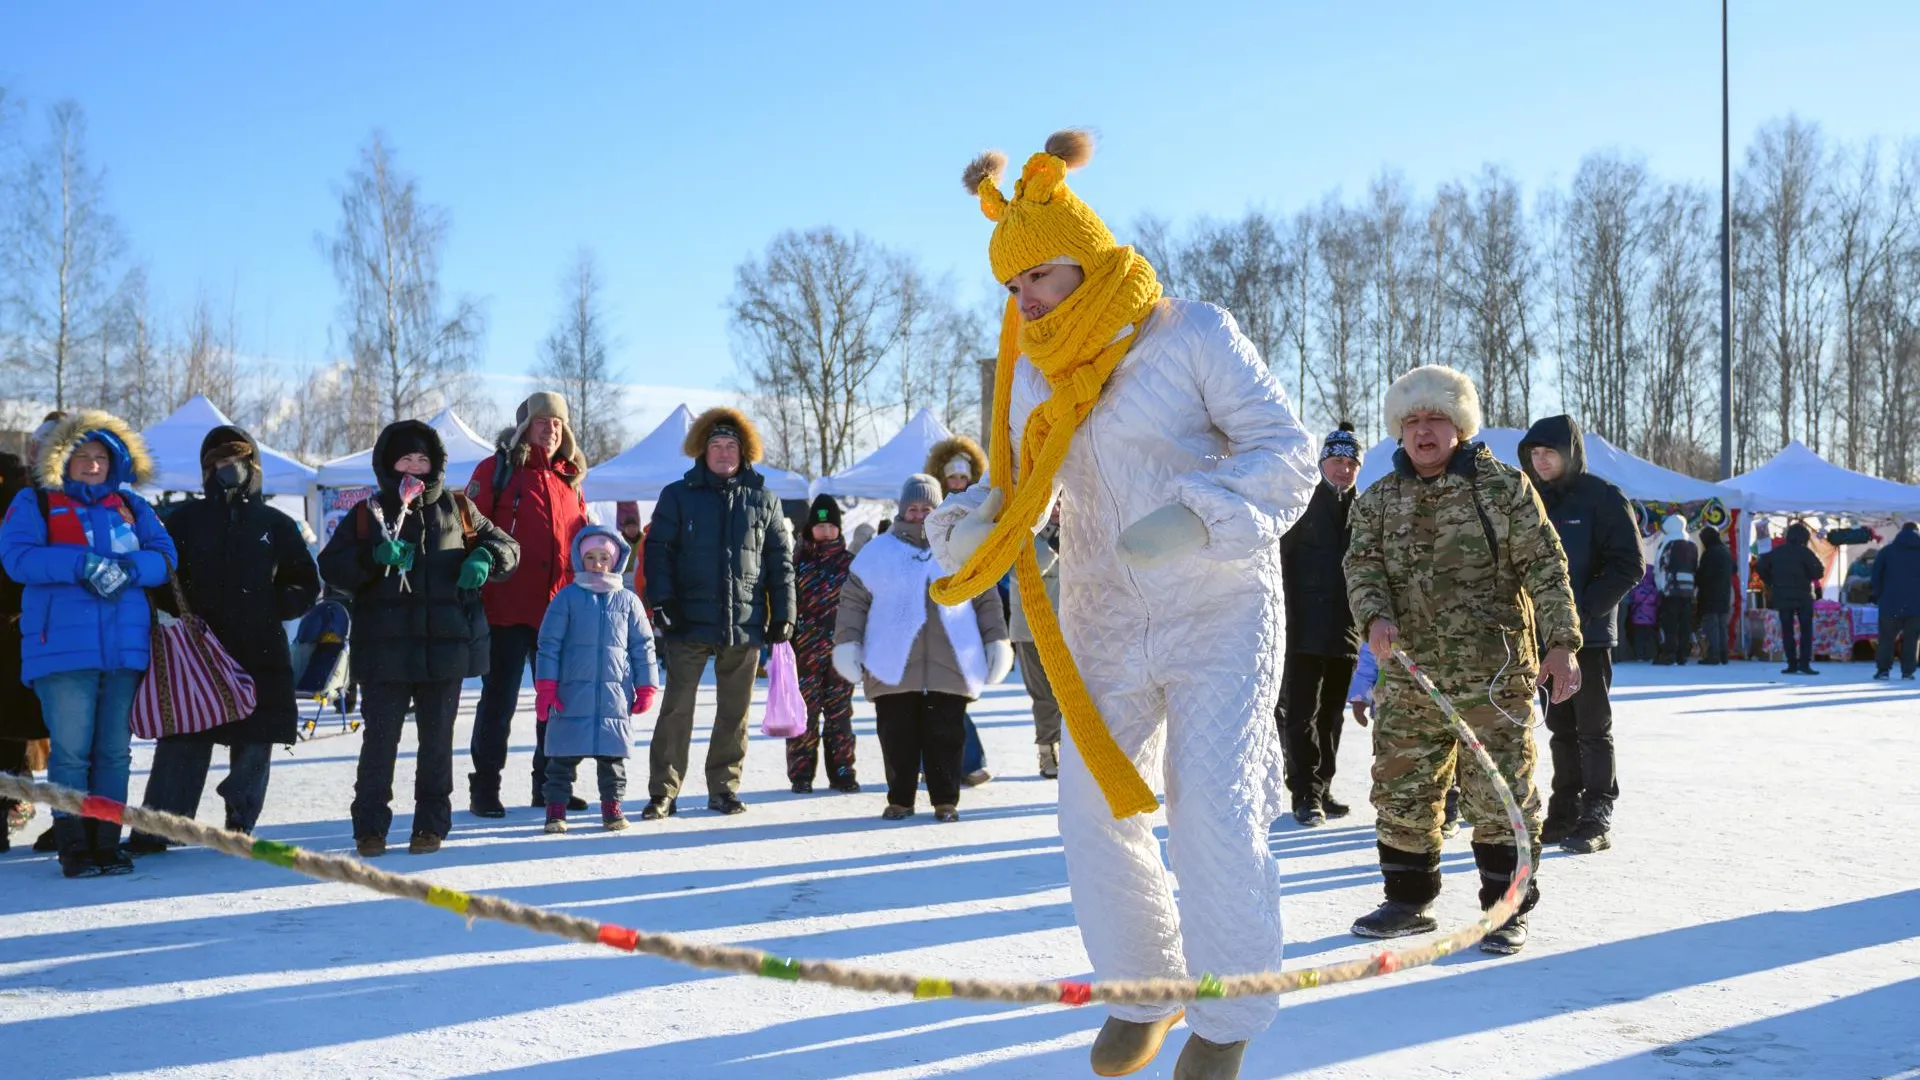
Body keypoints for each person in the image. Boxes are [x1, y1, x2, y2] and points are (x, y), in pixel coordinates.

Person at [928, 131, 1318, 1079]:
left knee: (1213, 809)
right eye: (1012, 286)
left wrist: (1204, 515)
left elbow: (1289, 450)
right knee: (1090, 806)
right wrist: (977, 523)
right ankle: (1142, 989)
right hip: (1102, 610)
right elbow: (1022, 484)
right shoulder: (1029, 367)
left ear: (1087, 259)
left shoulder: (1191, 332)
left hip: (1219, 606)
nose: (1023, 300)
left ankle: (1226, 1019)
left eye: (1039, 279)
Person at [1344, 365, 1582, 956]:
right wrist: (1373, 615)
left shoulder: (1503, 489)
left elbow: (1546, 568)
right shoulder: (1376, 500)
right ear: (1400, 431)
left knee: (1502, 793)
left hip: (1493, 676)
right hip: (1408, 676)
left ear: (1460, 425)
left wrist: (1562, 643)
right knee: (1402, 789)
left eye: (1437, 419)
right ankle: (1407, 900)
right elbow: (1361, 566)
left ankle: (1504, 910)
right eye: (1413, 421)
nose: (1424, 432)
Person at [319, 420, 518, 857]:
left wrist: (485, 555)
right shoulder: (368, 511)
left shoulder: (459, 507)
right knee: (380, 743)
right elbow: (332, 566)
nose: (415, 465)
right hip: (384, 649)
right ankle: (369, 827)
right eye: (406, 458)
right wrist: (373, 558)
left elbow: (508, 546)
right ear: (389, 463)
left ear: (436, 464)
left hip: (443, 648)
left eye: (423, 458)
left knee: (436, 744)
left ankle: (431, 825)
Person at [126, 427, 320, 854]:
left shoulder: (276, 523)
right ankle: (161, 828)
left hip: (260, 649)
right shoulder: (182, 519)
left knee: (256, 740)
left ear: (254, 467)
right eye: (216, 462)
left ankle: (239, 826)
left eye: (236, 461)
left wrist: (275, 605)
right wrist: (172, 616)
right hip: (195, 652)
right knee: (184, 736)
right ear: (205, 470)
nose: (226, 470)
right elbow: (161, 574)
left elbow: (306, 582)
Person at [0, 410, 179, 877]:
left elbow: (165, 556)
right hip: (61, 649)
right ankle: (74, 844)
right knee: (72, 750)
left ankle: (107, 841)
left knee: (114, 752)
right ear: (63, 458)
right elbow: (19, 560)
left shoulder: (131, 506)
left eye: (101, 456)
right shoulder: (34, 502)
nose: (93, 464)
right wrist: (83, 565)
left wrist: (132, 569)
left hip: (124, 649)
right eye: (82, 456)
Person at [643, 407, 795, 819]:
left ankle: (723, 788)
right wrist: (662, 601)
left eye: (732, 446)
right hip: (688, 622)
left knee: (734, 712)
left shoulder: (765, 499)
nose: (724, 453)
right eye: (716, 445)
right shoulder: (677, 495)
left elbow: (780, 562)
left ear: (744, 452)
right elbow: (656, 551)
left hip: (744, 624)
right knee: (677, 709)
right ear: (702, 452)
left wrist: (784, 614)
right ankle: (664, 792)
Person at [835, 475, 1010, 823]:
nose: (918, 515)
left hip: (953, 661)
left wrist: (996, 640)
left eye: (926, 508)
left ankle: (945, 801)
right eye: (912, 508)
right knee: (897, 736)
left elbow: (987, 599)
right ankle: (900, 799)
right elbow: (853, 602)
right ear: (902, 510)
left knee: (946, 735)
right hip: (891, 664)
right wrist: (847, 642)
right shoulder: (878, 552)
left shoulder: (960, 549)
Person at [1518, 415, 1643, 856]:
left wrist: (1580, 611)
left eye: (1548, 452)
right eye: (1534, 453)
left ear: (1568, 453)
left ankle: (1597, 810)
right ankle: (1565, 806)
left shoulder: (1603, 498)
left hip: (1587, 635)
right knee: (1558, 727)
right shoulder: (1530, 500)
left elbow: (1629, 564)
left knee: (1592, 726)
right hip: (1539, 636)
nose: (1540, 460)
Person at [466, 391, 591, 818]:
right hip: (503, 611)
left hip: (558, 614)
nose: (551, 430)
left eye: (557, 424)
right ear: (524, 427)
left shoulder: (569, 481)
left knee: (554, 705)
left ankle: (550, 786)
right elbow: (469, 530)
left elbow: (581, 545)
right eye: (542, 422)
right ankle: (485, 788)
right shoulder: (497, 471)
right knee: (497, 704)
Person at [532, 526, 659, 833]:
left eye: (604, 557)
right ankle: (556, 810)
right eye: (591, 557)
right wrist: (546, 685)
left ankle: (612, 808)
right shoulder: (567, 597)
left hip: (613, 697)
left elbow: (643, 646)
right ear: (580, 559)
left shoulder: (628, 601)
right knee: (561, 759)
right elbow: (549, 644)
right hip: (571, 693)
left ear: (615, 561)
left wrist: (646, 685)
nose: (598, 563)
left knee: (612, 760)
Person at [1277, 422, 1365, 828]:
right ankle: (1304, 793)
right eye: (1337, 461)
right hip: (1303, 628)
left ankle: (1324, 787)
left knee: (1332, 714)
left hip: (1344, 629)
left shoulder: (1363, 510)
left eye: (1351, 463)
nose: (1343, 470)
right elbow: (1279, 563)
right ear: (1322, 462)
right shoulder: (1302, 505)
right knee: (1301, 714)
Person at [926, 435, 995, 787]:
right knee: (932, 699)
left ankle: (967, 761)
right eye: (951, 477)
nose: (957, 483)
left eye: (962, 476)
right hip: (930, 611)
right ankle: (943, 763)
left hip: (965, 610)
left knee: (955, 696)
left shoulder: (977, 506)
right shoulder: (932, 513)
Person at [787, 495, 859, 794]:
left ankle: (842, 771)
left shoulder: (851, 563)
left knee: (840, 714)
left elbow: (862, 605)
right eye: (821, 526)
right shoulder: (798, 562)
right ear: (810, 529)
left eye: (831, 525)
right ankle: (802, 773)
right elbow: (787, 602)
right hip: (804, 652)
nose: (826, 531)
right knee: (804, 713)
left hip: (841, 651)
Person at [0, 450, 49, 856]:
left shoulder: (20, 500)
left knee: (10, 733)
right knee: (11, 735)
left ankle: (10, 810)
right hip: (17, 631)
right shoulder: (26, 498)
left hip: (14, 631)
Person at [1009, 508, 1063, 779]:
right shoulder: (1025, 530)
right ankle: (1047, 751)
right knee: (1044, 696)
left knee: (1075, 694)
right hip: (1032, 630)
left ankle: (1072, 751)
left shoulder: (1081, 527)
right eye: (1054, 503)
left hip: (1073, 630)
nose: (1058, 510)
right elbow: (1022, 569)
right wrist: (1052, 543)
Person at [1757, 522, 1826, 675]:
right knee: (1806, 630)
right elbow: (1819, 572)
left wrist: (1771, 580)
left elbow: (1760, 565)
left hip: (1782, 595)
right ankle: (1804, 664)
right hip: (1803, 595)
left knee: (1787, 630)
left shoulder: (1777, 552)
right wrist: (1806, 575)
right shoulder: (1805, 553)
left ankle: (1791, 664)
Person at [1871, 522, 1920, 680]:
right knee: (1911, 639)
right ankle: (1908, 671)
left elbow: (1876, 576)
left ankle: (1883, 670)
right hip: (1916, 604)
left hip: (1890, 602)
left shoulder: (1887, 551)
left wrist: (1878, 596)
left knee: (1886, 638)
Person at [1651, 516, 1699, 666]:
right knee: (1685, 622)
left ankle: (1668, 653)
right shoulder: (1692, 542)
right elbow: (1695, 565)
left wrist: (1660, 586)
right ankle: (1682, 655)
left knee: (1670, 622)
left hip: (1671, 587)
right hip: (1688, 588)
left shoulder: (1668, 541)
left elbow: (1659, 565)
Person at [1696, 525, 1735, 666]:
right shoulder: (1725, 552)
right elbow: (1734, 568)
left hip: (1710, 594)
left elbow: (1703, 575)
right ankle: (1724, 655)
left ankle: (1714, 655)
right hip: (1724, 592)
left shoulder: (1710, 553)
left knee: (1712, 625)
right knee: (1722, 625)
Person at [615, 502, 647, 594]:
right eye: (629, 527)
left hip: (640, 576)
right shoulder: (619, 541)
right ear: (624, 528)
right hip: (623, 577)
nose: (632, 529)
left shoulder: (644, 540)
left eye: (634, 527)